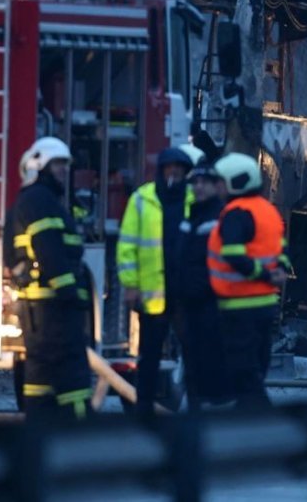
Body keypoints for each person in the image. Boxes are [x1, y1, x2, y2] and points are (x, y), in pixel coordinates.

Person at [3, 137, 92, 422]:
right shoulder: (41, 201)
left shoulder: (25, 202)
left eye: (65, 166)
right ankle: (81, 440)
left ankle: (38, 435)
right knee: (74, 378)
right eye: (58, 165)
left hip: (36, 313)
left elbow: (11, 256)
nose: (63, 171)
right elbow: (50, 251)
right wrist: (72, 298)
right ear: (40, 167)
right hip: (55, 310)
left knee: (39, 378)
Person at [117, 146, 196, 420]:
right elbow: (127, 245)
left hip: (185, 294)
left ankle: (195, 410)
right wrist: (130, 284)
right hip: (154, 295)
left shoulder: (193, 199)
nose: (173, 171)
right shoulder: (142, 199)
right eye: (169, 167)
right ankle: (143, 411)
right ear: (161, 170)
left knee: (193, 354)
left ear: (186, 172)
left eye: (179, 168)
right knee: (148, 357)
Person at [207, 153, 289, 410]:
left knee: (243, 368)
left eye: (220, 182)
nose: (216, 188)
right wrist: (277, 272)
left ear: (236, 182)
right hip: (266, 304)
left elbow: (233, 256)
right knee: (258, 363)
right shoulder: (268, 211)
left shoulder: (235, 213)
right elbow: (281, 250)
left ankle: (256, 417)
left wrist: (263, 274)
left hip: (239, 305)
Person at [175, 160, 229, 409]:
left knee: (209, 365)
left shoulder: (218, 219)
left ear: (216, 186)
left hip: (210, 305)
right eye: (194, 182)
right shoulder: (192, 218)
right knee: (192, 365)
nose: (198, 187)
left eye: (204, 182)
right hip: (189, 305)